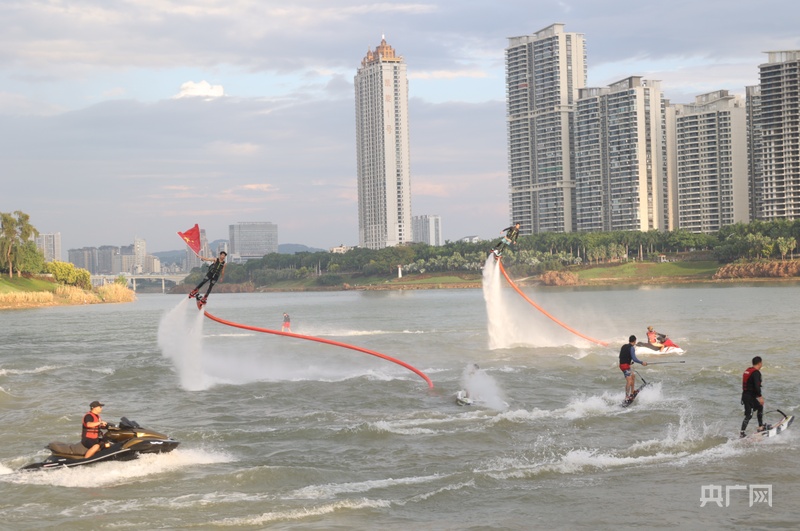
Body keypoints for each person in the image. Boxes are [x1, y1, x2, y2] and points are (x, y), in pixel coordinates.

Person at [740, 356, 767, 438]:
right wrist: (760, 397)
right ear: (759, 363)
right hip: (750, 397)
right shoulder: (756, 373)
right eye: (761, 363)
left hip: (746, 396)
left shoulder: (748, 370)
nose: (761, 365)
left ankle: (760, 426)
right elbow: (756, 386)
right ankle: (742, 433)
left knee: (759, 407)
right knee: (749, 415)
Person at [619, 335, 647, 400]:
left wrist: (629, 363)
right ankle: (627, 396)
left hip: (623, 364)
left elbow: (621, 356)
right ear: (634, 341)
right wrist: (642, 362)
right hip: (625, 366)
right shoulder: (632, 348)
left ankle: (632, 392)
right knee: (629, 381)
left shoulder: (624, 346)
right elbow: (634, 359)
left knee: (633, 376)